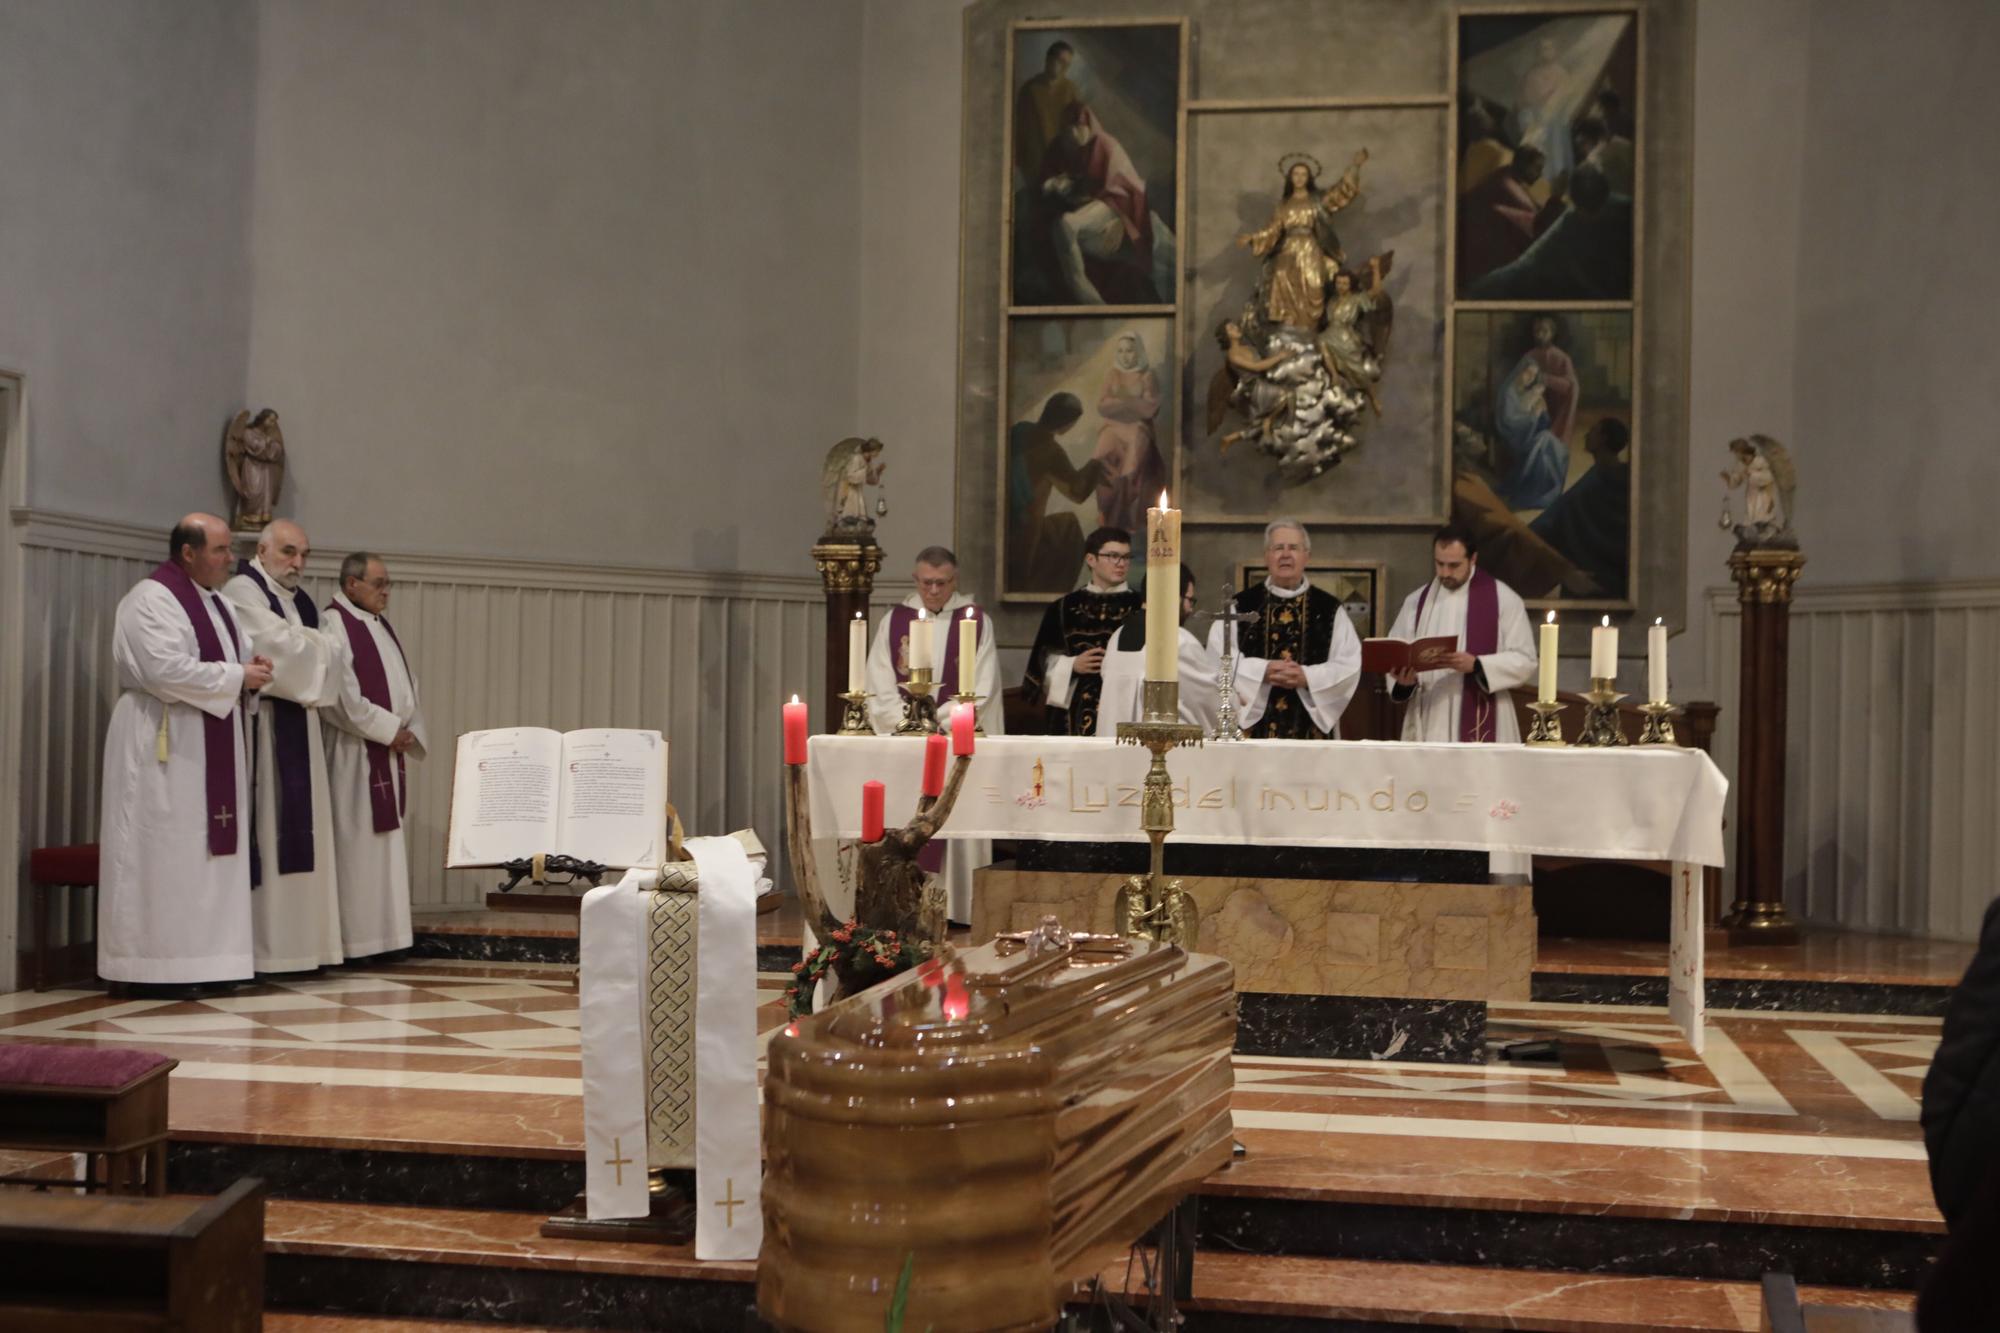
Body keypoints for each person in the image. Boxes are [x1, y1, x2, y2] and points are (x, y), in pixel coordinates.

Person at [98, 513, 273, 993]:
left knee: (206, 850)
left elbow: (229, 663)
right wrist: (238, 676)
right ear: (188, 553)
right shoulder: (150, 600)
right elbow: (163, 670)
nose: (230, 559)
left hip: (210, 734)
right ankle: (152, 965)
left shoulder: (218, 604)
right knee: (164, 849)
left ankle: (211, 961)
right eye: (219, 550)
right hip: (163, 737)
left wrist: (250, 671)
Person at [221, 520, 347, 974]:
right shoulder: (243, 590)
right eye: (289, 552)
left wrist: (313, 646)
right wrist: (318, 646)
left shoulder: (301, 601)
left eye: (304, 555)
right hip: (267, 728)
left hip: (302, 727)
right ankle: (272, 951)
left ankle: (305, 947)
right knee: (273, 830)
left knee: (306, 830)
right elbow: (282, 652)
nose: (298, 563)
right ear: (263, 549)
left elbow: (330, 652)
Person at [863, 546, 1003, 924]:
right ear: (916, 580)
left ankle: (958, 907)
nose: (935, 590)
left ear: (954, 580)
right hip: (906, 744)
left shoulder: (974, 620)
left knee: (958, 819)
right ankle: (907, 904)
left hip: (952, 739)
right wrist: (906, 723)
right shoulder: (894, 621)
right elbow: (878, 681)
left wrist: (937, 722)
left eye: (942, 583)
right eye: (927, 583)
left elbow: (982, 685)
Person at [323, 552, 426, 960]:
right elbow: (341, 698)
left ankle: (385, 937)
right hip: (354, 753)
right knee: (357, 845)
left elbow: (407, 685)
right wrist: (389, 730)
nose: (386, 591)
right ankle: (357, 941)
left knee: (383, 846)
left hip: (385, 750)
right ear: (352, 584)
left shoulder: (378, 624)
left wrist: (410, 729)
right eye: (378, 583)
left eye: (388, 584)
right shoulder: (334, 624)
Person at [1207, 520, 1361, 739]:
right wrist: (1263, 671)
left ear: (1306, 556)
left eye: (1293, 548)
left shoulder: (1329, 609)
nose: (1286, 555)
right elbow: (1217, 658)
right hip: (1251, 731)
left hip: (1309, 730)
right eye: (1278, 548)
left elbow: (1349, 665)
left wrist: (1307, 677)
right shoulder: (1240, 606)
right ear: (1266, 556)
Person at [1387, 525, 1539, 745]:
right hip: (1431, 713)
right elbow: (1398, 650)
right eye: (1439, 564)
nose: (1445, 573)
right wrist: (1404, 682)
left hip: (1483, 712)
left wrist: (1478, 665)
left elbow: (1525, 660)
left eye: (1454, 565)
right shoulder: (1416, 602)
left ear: (1473, 558)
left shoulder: (1504, 599)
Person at [1037, 102, 1175, 304]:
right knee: (1064, 228)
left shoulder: (1105, 144)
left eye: (1079, 126)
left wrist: (1117, 218)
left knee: (1067, 223)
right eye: (1070, 128)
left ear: (1088, 124)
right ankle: (1089, 297)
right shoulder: (1063, 147)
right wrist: (1057, 184)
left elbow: (1125, 189)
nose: (1075, 133)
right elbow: (1049, 181)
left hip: (1116, 209)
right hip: (1090, 216)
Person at [1023, 526, 1142, 736]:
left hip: (1125, 707)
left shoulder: (1141, 606)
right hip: (1071, 710)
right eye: (1113, 556)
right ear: (1091, 559)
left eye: (1126, 556)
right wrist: (1072, 665)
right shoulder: (1062, 608)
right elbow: (1040, 666)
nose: (1121, 563)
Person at [1095, 563, 1217, 735]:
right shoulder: (1176, 639)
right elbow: (1207, 695)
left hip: (1113, 745)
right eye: (1190, 600)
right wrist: (1233, 703)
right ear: (1174, 595)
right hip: (1160, 750)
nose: (1191, 608)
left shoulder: (1117, 636)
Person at [1007, 391, 1103, 595]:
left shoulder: (1018, 431)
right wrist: (1098, 463)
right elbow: (1078, 492)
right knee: (1069, 528)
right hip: (1025, 531)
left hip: (1007, 525)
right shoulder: (1050, 451)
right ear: (1067, 422)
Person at [1531, 417, 1631, 597]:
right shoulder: (1627, 477)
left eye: (1593, 430)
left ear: (1603, 438)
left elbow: (1549, 523)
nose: (1586, 435)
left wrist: (1522, 537)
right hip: (1620, 583)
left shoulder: (1588, 488)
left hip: (1588, 582)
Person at [1091, 332, 1166, 534]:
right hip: (1113, 428)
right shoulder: (1112, 374)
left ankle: (1123, 520)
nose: (1125, 356)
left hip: (1138, 429)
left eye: (1130, 351)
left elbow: (1150, 408)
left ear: (1137, 352)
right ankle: (1105, 513)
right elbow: (1102, 406)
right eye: (1121, 351)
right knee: (1099, 459)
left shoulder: (1147, 376)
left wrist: (1122, 403)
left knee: (1130, 470)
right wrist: (1131, 403)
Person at [1456, 146, 1546, 291]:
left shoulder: (1506, 174)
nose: (1540, 174)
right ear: (1524, 165)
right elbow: (1537, 224)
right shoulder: (1507, 185)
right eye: (1537, 168)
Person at [1493, 355, 1572, 512]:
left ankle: (1549, 491)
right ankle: (1537, 494)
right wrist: (1533, 416)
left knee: (1553, 445)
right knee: (1545, 441)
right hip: (1514, 437)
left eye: (1534, 376)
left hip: (1528, 433)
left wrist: (1543, 411)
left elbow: (1543, 423)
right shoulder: (1508, 392)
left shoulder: (1524, 391)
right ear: (1519, 372)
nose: (1530, 379)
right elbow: (1509, 422)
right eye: (1528, 374)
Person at [1013, 40, 1078, 183]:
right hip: (1035, 162)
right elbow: (1019, 128)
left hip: (1062, 163)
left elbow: (1077, 126)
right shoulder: (1029, 90)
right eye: (1061, 61)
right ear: (1049, 59)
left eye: (1067, 64)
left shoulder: (1070, 89)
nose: (1064, 68)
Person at [1521, 315, 1577, 442]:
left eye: (1544, 331)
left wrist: (1545, 379)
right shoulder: (1528, 357)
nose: (1540, 335)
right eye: (1537, 331)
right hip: (1534, 411)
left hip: (1557, 411)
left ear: (1552, 333)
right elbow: (1520, 383)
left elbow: (1571, 387)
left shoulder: (1562, 358)